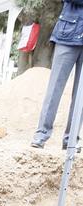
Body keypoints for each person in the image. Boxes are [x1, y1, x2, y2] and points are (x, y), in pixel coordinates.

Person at [31, 1, 83, 150]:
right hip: (67, 36)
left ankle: (71, 139)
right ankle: (41, 135)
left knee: (80, 96)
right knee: (54, 89)